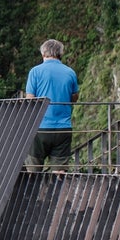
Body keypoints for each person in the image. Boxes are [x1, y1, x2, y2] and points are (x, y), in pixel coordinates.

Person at [24, 38, 78, 169]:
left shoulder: (35, 71)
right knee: (59, 173)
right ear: (61, 54)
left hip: (40, 127)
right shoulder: (70, 72)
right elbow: (74, 97)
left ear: (43, 53)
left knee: (33, 171)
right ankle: (58, 189)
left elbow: (30, 99)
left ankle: (34, 189)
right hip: (63, 128)